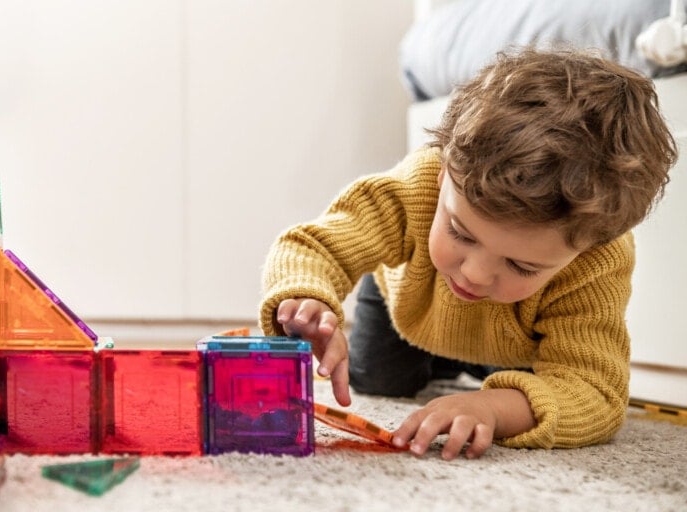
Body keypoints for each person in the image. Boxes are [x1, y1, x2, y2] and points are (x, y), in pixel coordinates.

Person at [258, 48, 678, 460]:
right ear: (443, 174)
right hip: (410, 305)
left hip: (513, 343)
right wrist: (307, 299)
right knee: (377, 379)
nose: (474, 274)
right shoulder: (417, 184)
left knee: (502, 397)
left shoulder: (596, 260)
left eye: (521, 265)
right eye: (460, 231)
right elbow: (313, 245)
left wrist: (492, 408)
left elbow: (596, 393)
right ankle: (447, 362)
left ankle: (479, 378)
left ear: (587, 248)